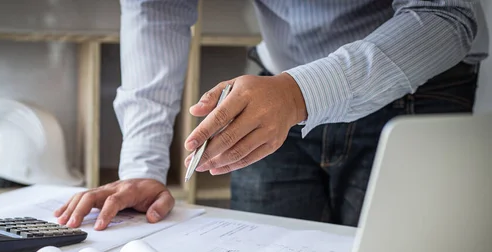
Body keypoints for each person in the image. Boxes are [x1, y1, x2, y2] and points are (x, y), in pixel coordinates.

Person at [55, 0, 487, 230]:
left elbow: (446, 13)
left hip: (416, 91)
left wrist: (302, 93)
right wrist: (143, 166)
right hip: (275, 92)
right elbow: (157, 9)